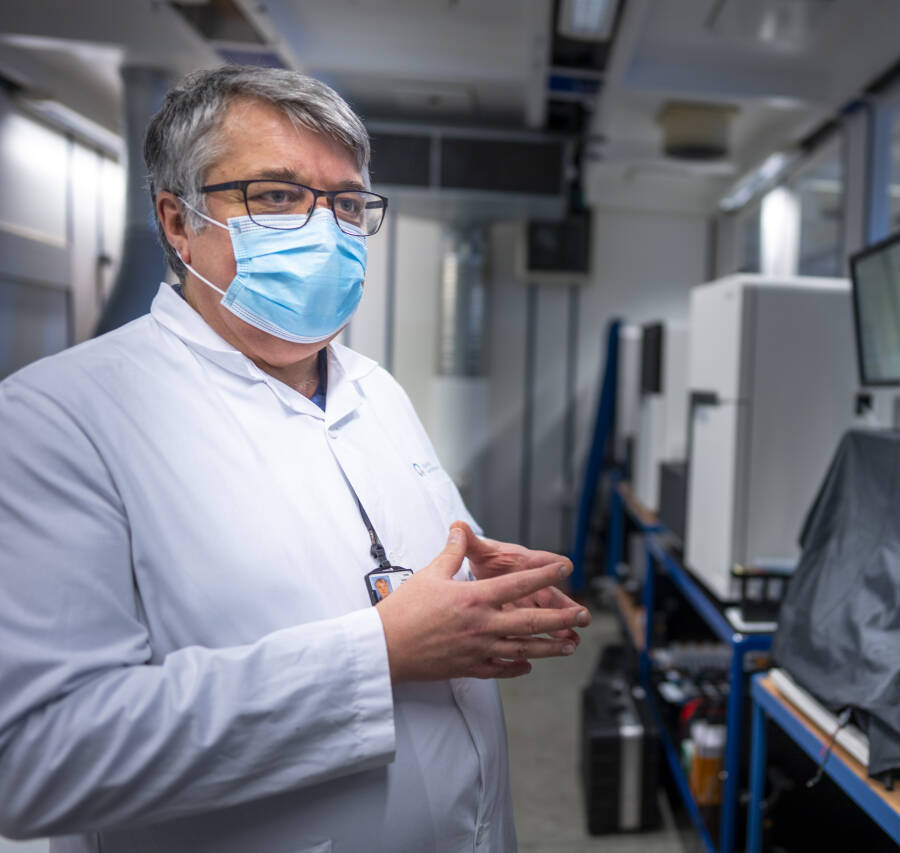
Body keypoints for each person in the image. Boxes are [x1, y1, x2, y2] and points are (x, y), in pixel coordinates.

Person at [0, 65, 589, 853]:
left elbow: (400, 571)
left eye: (345, 203)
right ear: (178, 223)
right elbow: (37, 758)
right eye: (277, 196)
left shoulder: (376, 391)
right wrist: (375, 655)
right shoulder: (58, 420)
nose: (324, 231)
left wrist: (487, 595)